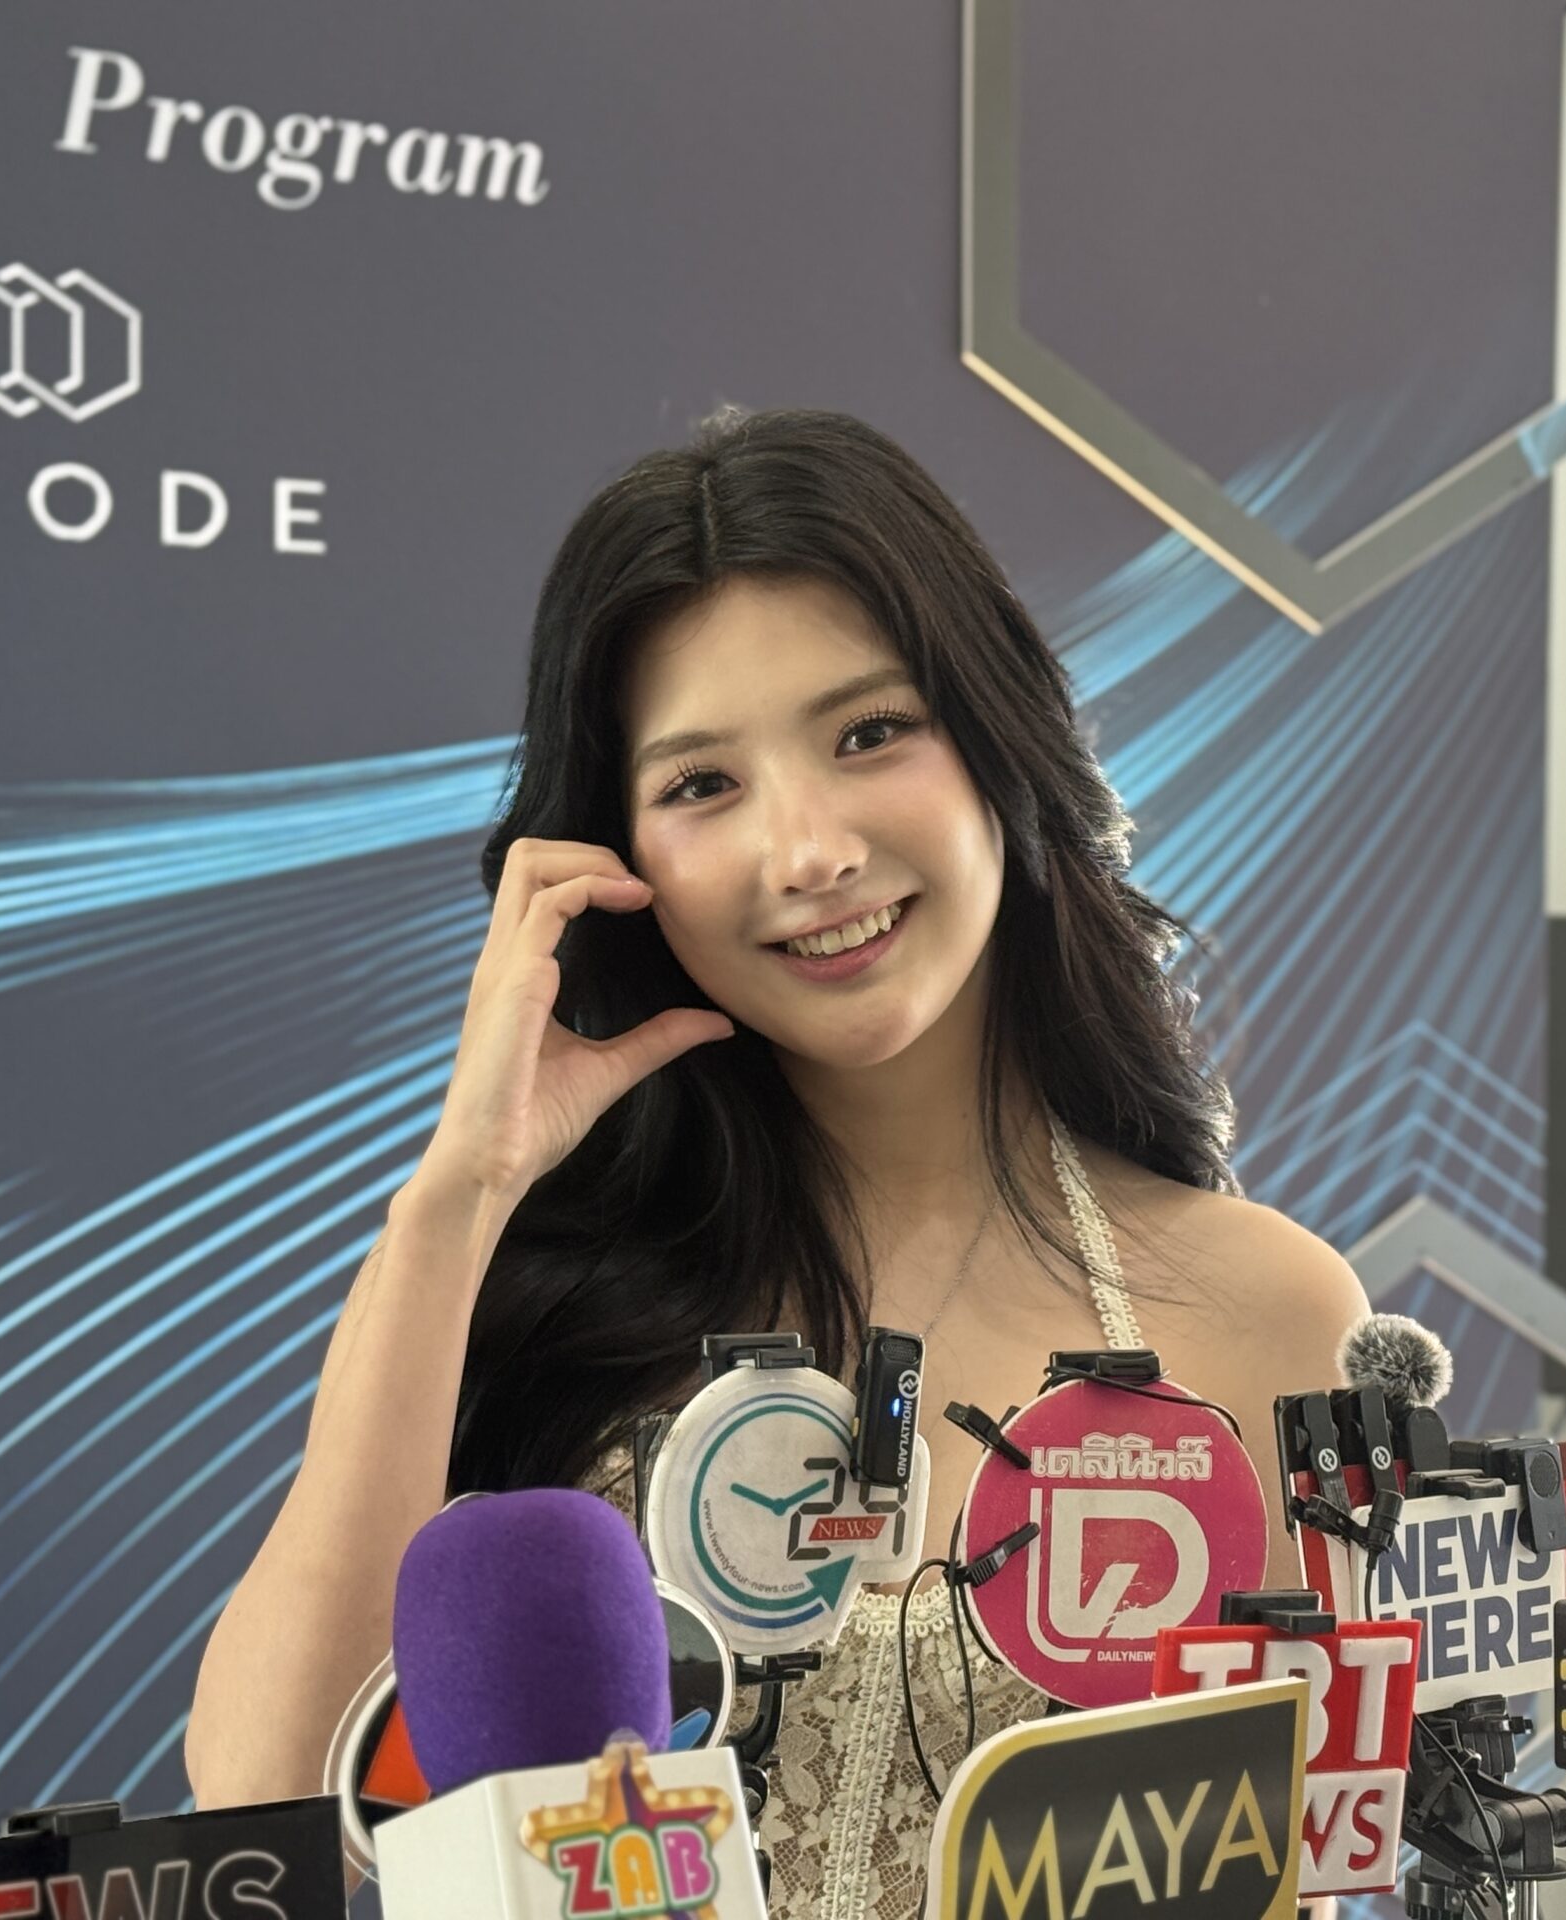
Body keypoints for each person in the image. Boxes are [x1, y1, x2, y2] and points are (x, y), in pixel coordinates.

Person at [184, 407, 1370, 1914]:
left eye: (870, 733)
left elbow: (1321, 1856)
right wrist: (459, 1195)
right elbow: (270, 1799)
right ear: (614, 861)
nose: (809, 853)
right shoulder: (530, 1299)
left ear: (997, 737)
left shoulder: (1270, 1313)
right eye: (702, 786)